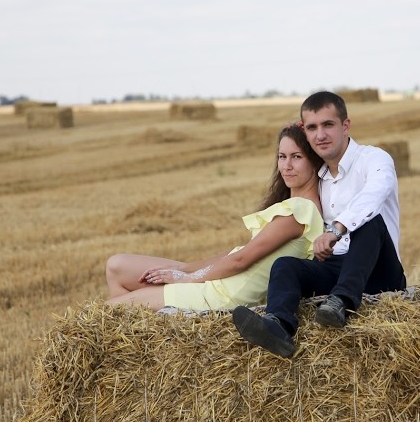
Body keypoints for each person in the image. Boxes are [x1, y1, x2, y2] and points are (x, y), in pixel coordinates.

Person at [232, 91, 407, 357]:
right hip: (337, 269)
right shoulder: (320, 178)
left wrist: (336, 229)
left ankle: (341, 302)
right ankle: (279, 326)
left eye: (328, 124)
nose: (320, 135)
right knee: (286, 266)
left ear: (345, 125)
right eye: (312, 127)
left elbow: (374, 194)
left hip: (379, 271)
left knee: (369, 222)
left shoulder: (374, 159)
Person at [105, 123, 325, 312]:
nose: (286, 166)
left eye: (297, 157)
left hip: (221, 297)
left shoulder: (299, 211)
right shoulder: (296, 207)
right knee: (116, 266)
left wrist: (187, 278)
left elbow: (240, 260)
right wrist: (184, 269)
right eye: (282, 156)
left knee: (110, 310)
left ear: (315, 161)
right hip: (220, 283)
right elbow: (235, 254)